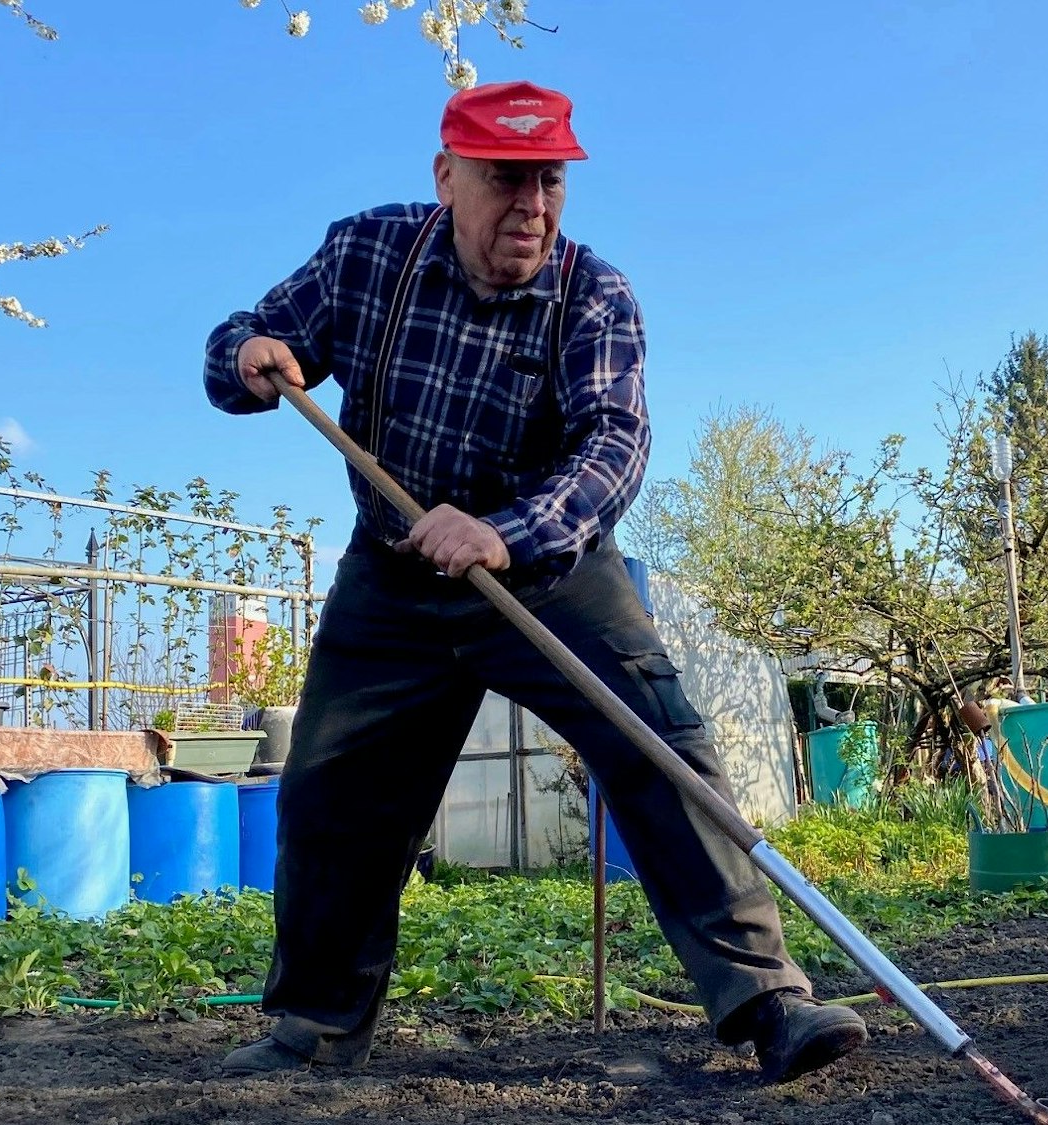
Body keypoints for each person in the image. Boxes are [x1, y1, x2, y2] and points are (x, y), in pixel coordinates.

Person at [201, 80, 868, 1082]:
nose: (531, 208)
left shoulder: (594, 294)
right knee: (332, 791)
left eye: (548, 182)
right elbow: (242, 343)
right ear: (446, 177)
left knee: (663, 750)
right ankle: (314, 1027)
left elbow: (613, 447)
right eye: (504, 181)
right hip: (391, 581)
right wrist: (252, 354)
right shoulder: (366, 254)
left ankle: (768, 1001)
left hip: (550, 570)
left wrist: (503, 534)